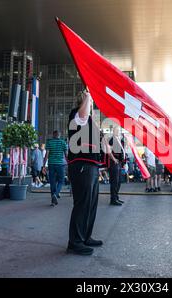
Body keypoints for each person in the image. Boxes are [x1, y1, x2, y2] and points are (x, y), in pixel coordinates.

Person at [66, 90, 105, 256]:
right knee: (82, 203)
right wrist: (89, 94)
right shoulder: (76, 114)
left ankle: (85, 236)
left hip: (92, 166)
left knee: (91, 204)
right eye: (89, 100)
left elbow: (100, 141)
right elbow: (83, 114)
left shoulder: (90, 121)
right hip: (81, 164)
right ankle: (75, 242)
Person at [43, 130, 68, 206]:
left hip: (51, 164)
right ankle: (56, 194)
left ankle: (53, 201)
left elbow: (46, 155)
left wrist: (44, 165)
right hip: (60, 164)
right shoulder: (63, 142)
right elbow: (66, 155)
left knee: (52, 182)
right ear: (59, 135)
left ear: (53, 135)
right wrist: (69, 163)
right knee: (61, 181)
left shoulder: (49, 142)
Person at [108, 127, 125, 205]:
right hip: (113, 163)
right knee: (114, 182)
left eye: (118, 131)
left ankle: (116, 197)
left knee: (119, 181)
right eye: (116, 131)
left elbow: (122, 151)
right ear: (113, 132)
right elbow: (109, 151)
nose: (118, 132)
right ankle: (113, 199)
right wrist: (114, 159)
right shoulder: (112, 140)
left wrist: (123, 163)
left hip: (119, 163)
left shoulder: (120, 140)